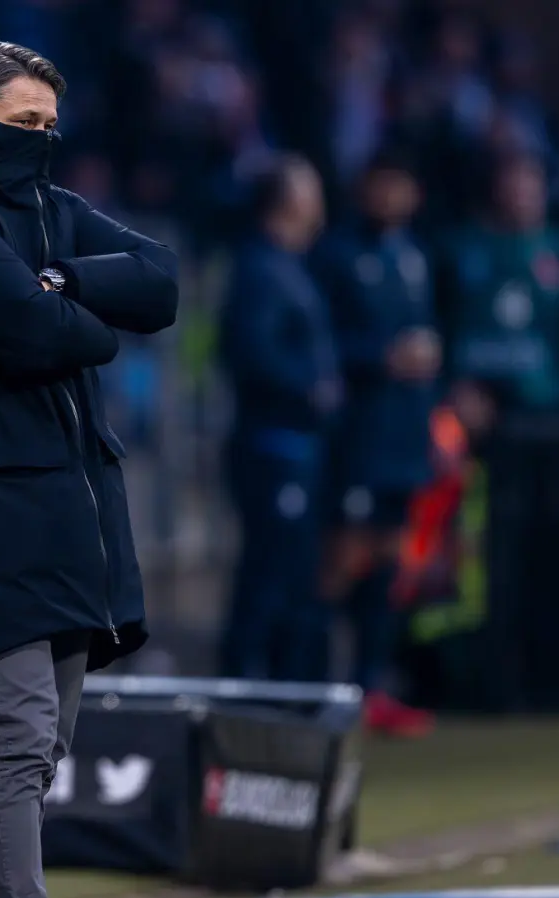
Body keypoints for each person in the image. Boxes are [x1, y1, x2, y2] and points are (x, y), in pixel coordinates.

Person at [0, 41, 177, 898]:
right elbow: (39, 334)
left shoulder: (47, 210)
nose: (39, 140)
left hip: (60, 505)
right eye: (23, 122)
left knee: (41, 745)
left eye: (49, 125)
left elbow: (159, 280)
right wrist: (85, 314)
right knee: (20, 732)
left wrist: (60, 279)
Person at [313, 148, 440, 736]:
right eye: (382, 185)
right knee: (341, 561)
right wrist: (381, 358)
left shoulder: (416, 254)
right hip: (357, 437)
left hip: (404, 436)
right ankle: (316, 684)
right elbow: (321, 344)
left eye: (402, 186)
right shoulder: (338, 256)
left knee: (390, 564)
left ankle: (370, 686)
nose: (392, 198)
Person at [217, 154, 338, 682]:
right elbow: (250, 352)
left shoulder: (289, 267)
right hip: (273, 446)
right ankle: (248, 686)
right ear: (289, 202)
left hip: (297, 447)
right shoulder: (262, 269)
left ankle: (280, 689)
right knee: (269, 576)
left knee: (288, 576)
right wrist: (310, 388)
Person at [440, 153, 559, 431]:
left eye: (529, 186)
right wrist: (454, 383)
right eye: (513, 186)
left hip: (548, 401)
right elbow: (445, 319)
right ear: (495, 190)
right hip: (474, 405)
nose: (521, 195)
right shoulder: (460, 248)